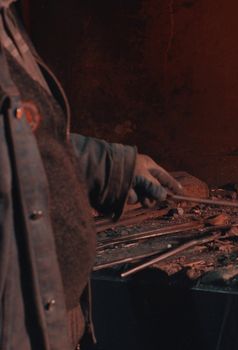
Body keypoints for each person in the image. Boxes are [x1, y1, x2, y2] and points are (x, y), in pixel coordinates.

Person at [0, 1, 182, 349]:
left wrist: (113, 168)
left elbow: (29, 141)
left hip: (53, 312)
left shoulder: (6, 23)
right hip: (17, 324)